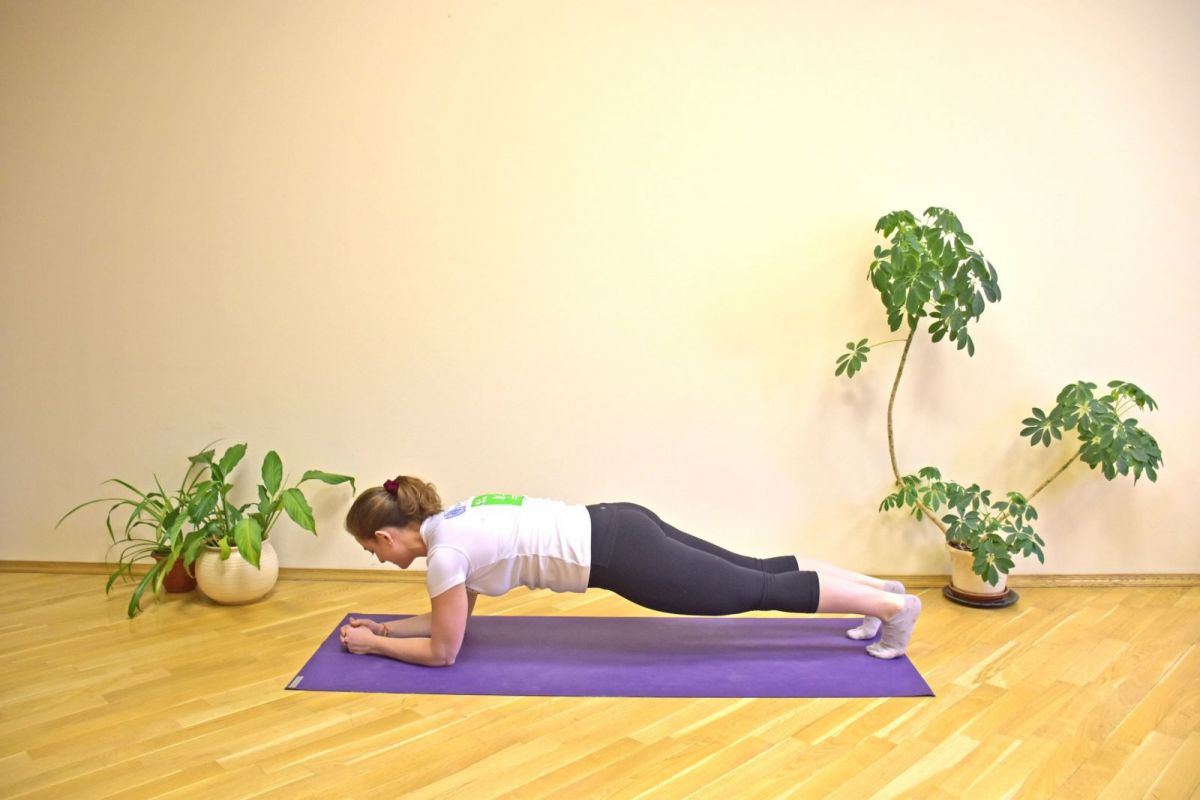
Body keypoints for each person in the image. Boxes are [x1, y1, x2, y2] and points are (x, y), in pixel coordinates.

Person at [339, 476, 922, 667]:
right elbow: (454, 620)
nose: (379, 559)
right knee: (756, 569)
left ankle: (893, 609)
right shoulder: (455, 522)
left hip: (622, 558)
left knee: (757, 589)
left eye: (372, 550)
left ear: (386, 536)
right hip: (619, 521)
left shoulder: (444, 556)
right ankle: (878, 591)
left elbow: (445, 652)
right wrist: (385, 628)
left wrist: (372, 647)